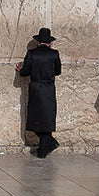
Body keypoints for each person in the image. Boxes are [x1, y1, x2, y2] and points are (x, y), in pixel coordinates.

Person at [16, 28, 62, 158]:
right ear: (49, 42)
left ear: (37, 41)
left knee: (35, 117)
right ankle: (48, 144)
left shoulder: (32, 54)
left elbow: (25, 72)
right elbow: (57, 71)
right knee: (47, 116)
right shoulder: (54, 54)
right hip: (48, 88)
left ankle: (46, 145)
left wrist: (21, 68)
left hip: (35, 87)